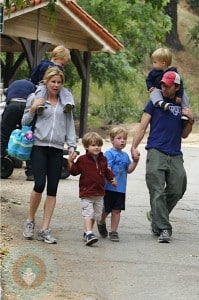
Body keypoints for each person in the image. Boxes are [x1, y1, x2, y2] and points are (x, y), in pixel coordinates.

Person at [131, 71, 194, 243]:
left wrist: (190, 120)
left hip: (174, 153)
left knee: (178, 188)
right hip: (156, 150)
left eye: (167, 85)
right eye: (162, 84)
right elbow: (142, 126)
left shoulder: (182, 104)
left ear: (177, 87)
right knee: (157, 191)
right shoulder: (154, 102)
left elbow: (185, 135)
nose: (164, 87)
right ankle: (164, 228)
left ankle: (155, 215)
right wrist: (134, 147)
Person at [22, 67, 77, 244]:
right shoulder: (36, 97)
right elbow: (24, 121)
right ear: (46, 81)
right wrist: (33, 108)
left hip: (56, 149)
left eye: (59, 82)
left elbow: (69, 125)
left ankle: (45, 229)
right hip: (39, 146)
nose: (56, 85)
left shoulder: (65, 102)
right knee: (39, 184)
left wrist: (72, 146)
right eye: (53, 81)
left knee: (52, 189)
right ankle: (30, 220)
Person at [68, 132, 117, 246]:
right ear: (86, 147)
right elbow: (74, 171)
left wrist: (112, 179)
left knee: (96, 215)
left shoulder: (103, 159)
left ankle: (88, 233)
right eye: (93, 145)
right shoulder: (82, 160)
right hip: (87, 193)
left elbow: (106, 172)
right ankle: (89, 233)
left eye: (98, 145)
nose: (96, 147)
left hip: (99, 194)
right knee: (88, 214)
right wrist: (70, 162)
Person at [97, 127, 139, 242]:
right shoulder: (109, 153)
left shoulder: (125, 155)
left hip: (120, 189)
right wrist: (111, 179)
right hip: (109, 188)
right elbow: (107, 168)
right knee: (106, 209)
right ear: (111, 140)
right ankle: (101, 222)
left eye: (124, 139)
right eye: (119, 138)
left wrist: (135, 161)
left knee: (117, 210)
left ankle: (114, 231)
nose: (122, 141)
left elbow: (129, 170)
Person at [0, 79, 36, 180]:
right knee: (28, 138)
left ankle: (1, 163)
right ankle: (30, 172)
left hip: (12, 106)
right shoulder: (32, 85)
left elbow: (6, 94)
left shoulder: (12, 85)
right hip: (26, 107)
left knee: (4, 136)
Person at [30, 45, 75, 114]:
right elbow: (34, 78)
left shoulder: (43, 64)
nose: (62, 67)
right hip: (41, 86)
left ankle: (67, 104)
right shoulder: (48, 65)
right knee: (42, 91)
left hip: (49, 87)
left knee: (65, 90)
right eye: (62, 64)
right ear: (55, 59)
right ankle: (39, 107)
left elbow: (32, 76)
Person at [146, 47, 189, 119]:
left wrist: (179, 95)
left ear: (163, 63)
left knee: (184, 93)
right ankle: (160, 103)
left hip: (172, 92)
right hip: (159, 91)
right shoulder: (153, 72)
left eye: (155, 62)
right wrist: (150, 87)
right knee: (154, 92)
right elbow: (148, 80)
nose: (153, 64)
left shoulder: (173, 71)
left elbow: (179, 82)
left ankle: (185, 110)